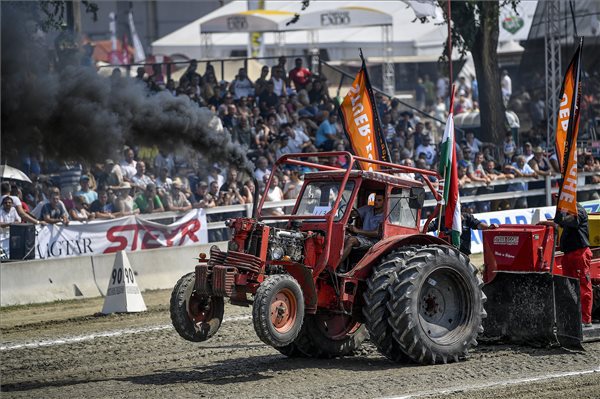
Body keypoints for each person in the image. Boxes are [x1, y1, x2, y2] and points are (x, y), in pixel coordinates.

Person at [540, 203, 592, 327]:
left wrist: (558, 218)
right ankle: (573, 317)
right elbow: (562, 223)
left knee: (583, 286)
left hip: (579, 253)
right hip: (569, 254)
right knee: (569, 286)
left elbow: (571, 221)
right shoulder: (569, 212)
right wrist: (549, 223)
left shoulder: (578, 211)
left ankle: (586, 319)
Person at [340, 192, 385, 267]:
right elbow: (354, 213)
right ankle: (342, 264)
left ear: (384, 202)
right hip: (362, 237)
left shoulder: (385, 216)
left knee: (351, 240)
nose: (376, 202)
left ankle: (335, 265)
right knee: (340, 237)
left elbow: (377, 233)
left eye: (379, 200)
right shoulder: (368, 208)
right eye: (375, 200)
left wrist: (357, 230)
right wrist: (349, 214)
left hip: (374, 241)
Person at [429, 210, 498, 255]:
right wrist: (419, 229)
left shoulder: (467, 217)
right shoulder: (442, 220)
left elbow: (478, 224)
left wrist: (489, 227)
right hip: (447, 254)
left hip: (464, 254)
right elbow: (430, 226)